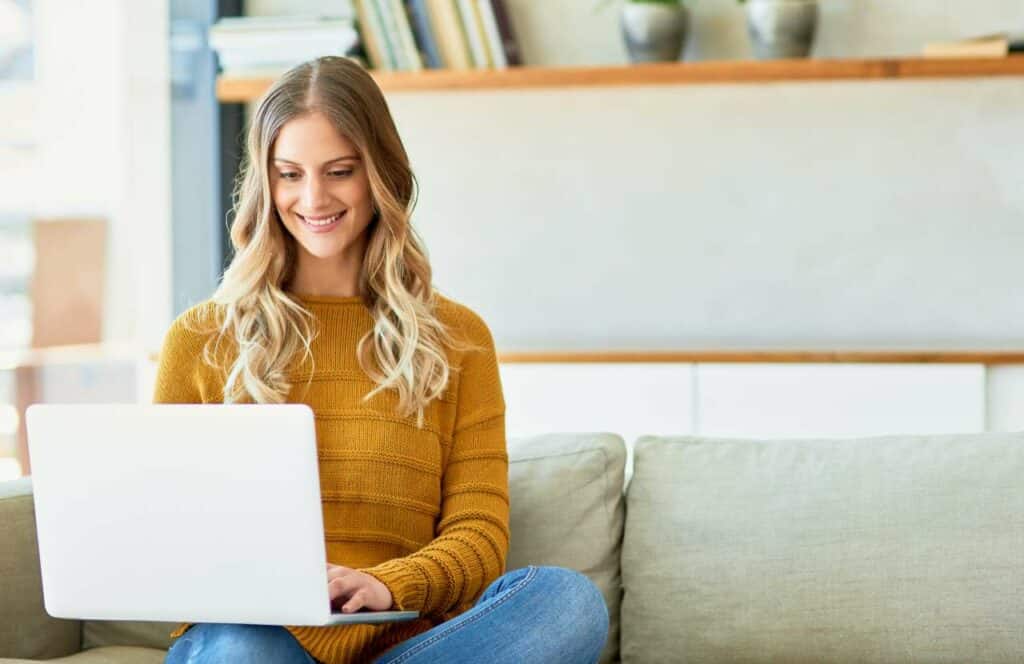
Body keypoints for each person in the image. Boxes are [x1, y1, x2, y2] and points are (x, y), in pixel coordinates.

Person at [157, 56, 609, 664]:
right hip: (258, 640)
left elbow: (478, 538)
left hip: (412, 645)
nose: (313, 198)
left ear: (381, 175)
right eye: (289, 174)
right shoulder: (202, 339)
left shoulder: (459, 339)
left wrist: (386, 584)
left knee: (568, 602)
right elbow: (169, 531)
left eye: (339, 171)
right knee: (241, 651)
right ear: (266, 186)